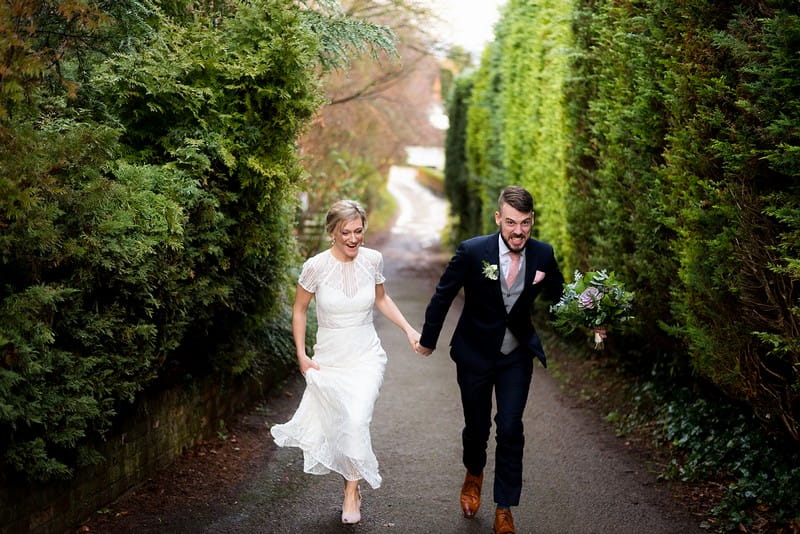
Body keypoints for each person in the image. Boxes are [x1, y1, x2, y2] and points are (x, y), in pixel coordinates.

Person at [415, 186, 564, 534]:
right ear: (499, 218)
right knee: (477, 429)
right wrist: (428, 339)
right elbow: (443, 294)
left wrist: (592, 320)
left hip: (516, 355)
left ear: (532, 221)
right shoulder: (473, 251)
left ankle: (504, 508)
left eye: (525, 223)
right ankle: (474, 471)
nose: (518, 231)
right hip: (475, 353)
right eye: (511, 222)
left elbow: (560, 297)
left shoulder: (543, 255)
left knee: (511, 428)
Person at [270, 199, 420, 525]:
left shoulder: (373, 260)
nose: (353, 239)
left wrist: (409, 330)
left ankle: (352, 491)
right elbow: (299, 310)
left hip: (366, 356)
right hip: (329, 360)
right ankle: (351, 480)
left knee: (356, 420)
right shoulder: (315, 267)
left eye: (358, 231)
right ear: (332, 233)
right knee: (341, 424)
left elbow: (381, 299)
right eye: (345, 232)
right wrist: (301, 354)